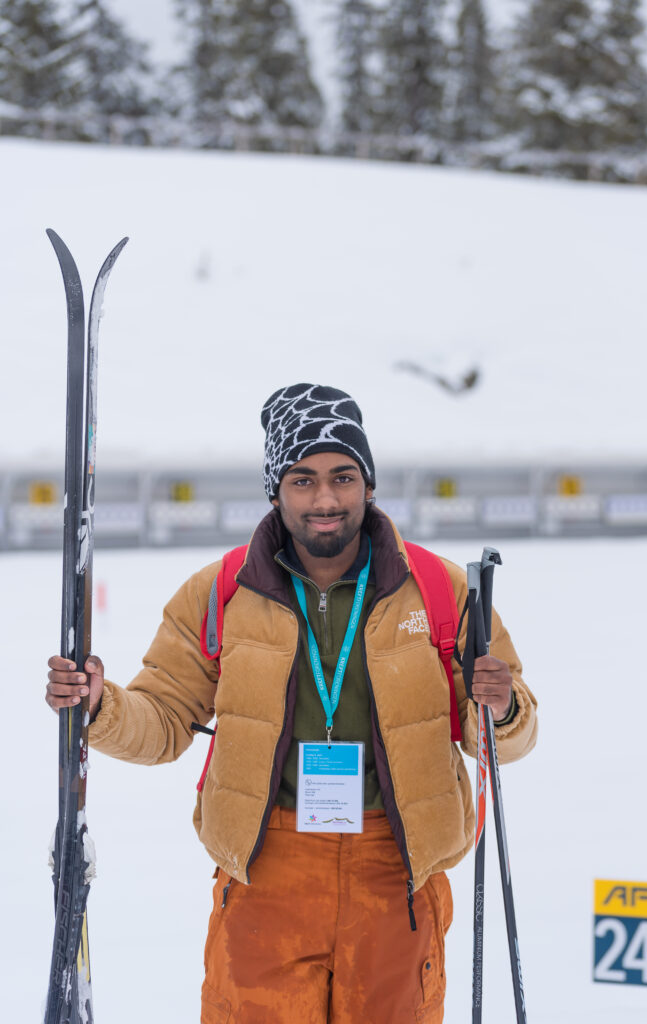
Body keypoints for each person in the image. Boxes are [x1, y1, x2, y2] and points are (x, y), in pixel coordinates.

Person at [46, 383, 538, 1024]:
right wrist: (98, 707)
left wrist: (501, 709)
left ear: (369, 484)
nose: (326, 498)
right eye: (302, 480)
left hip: (398, 875)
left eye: (343, 476)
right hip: (265, 872)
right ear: (275, 490)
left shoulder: (440, 590)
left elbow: (510, 734)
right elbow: (163, 721)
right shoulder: (220, 592)